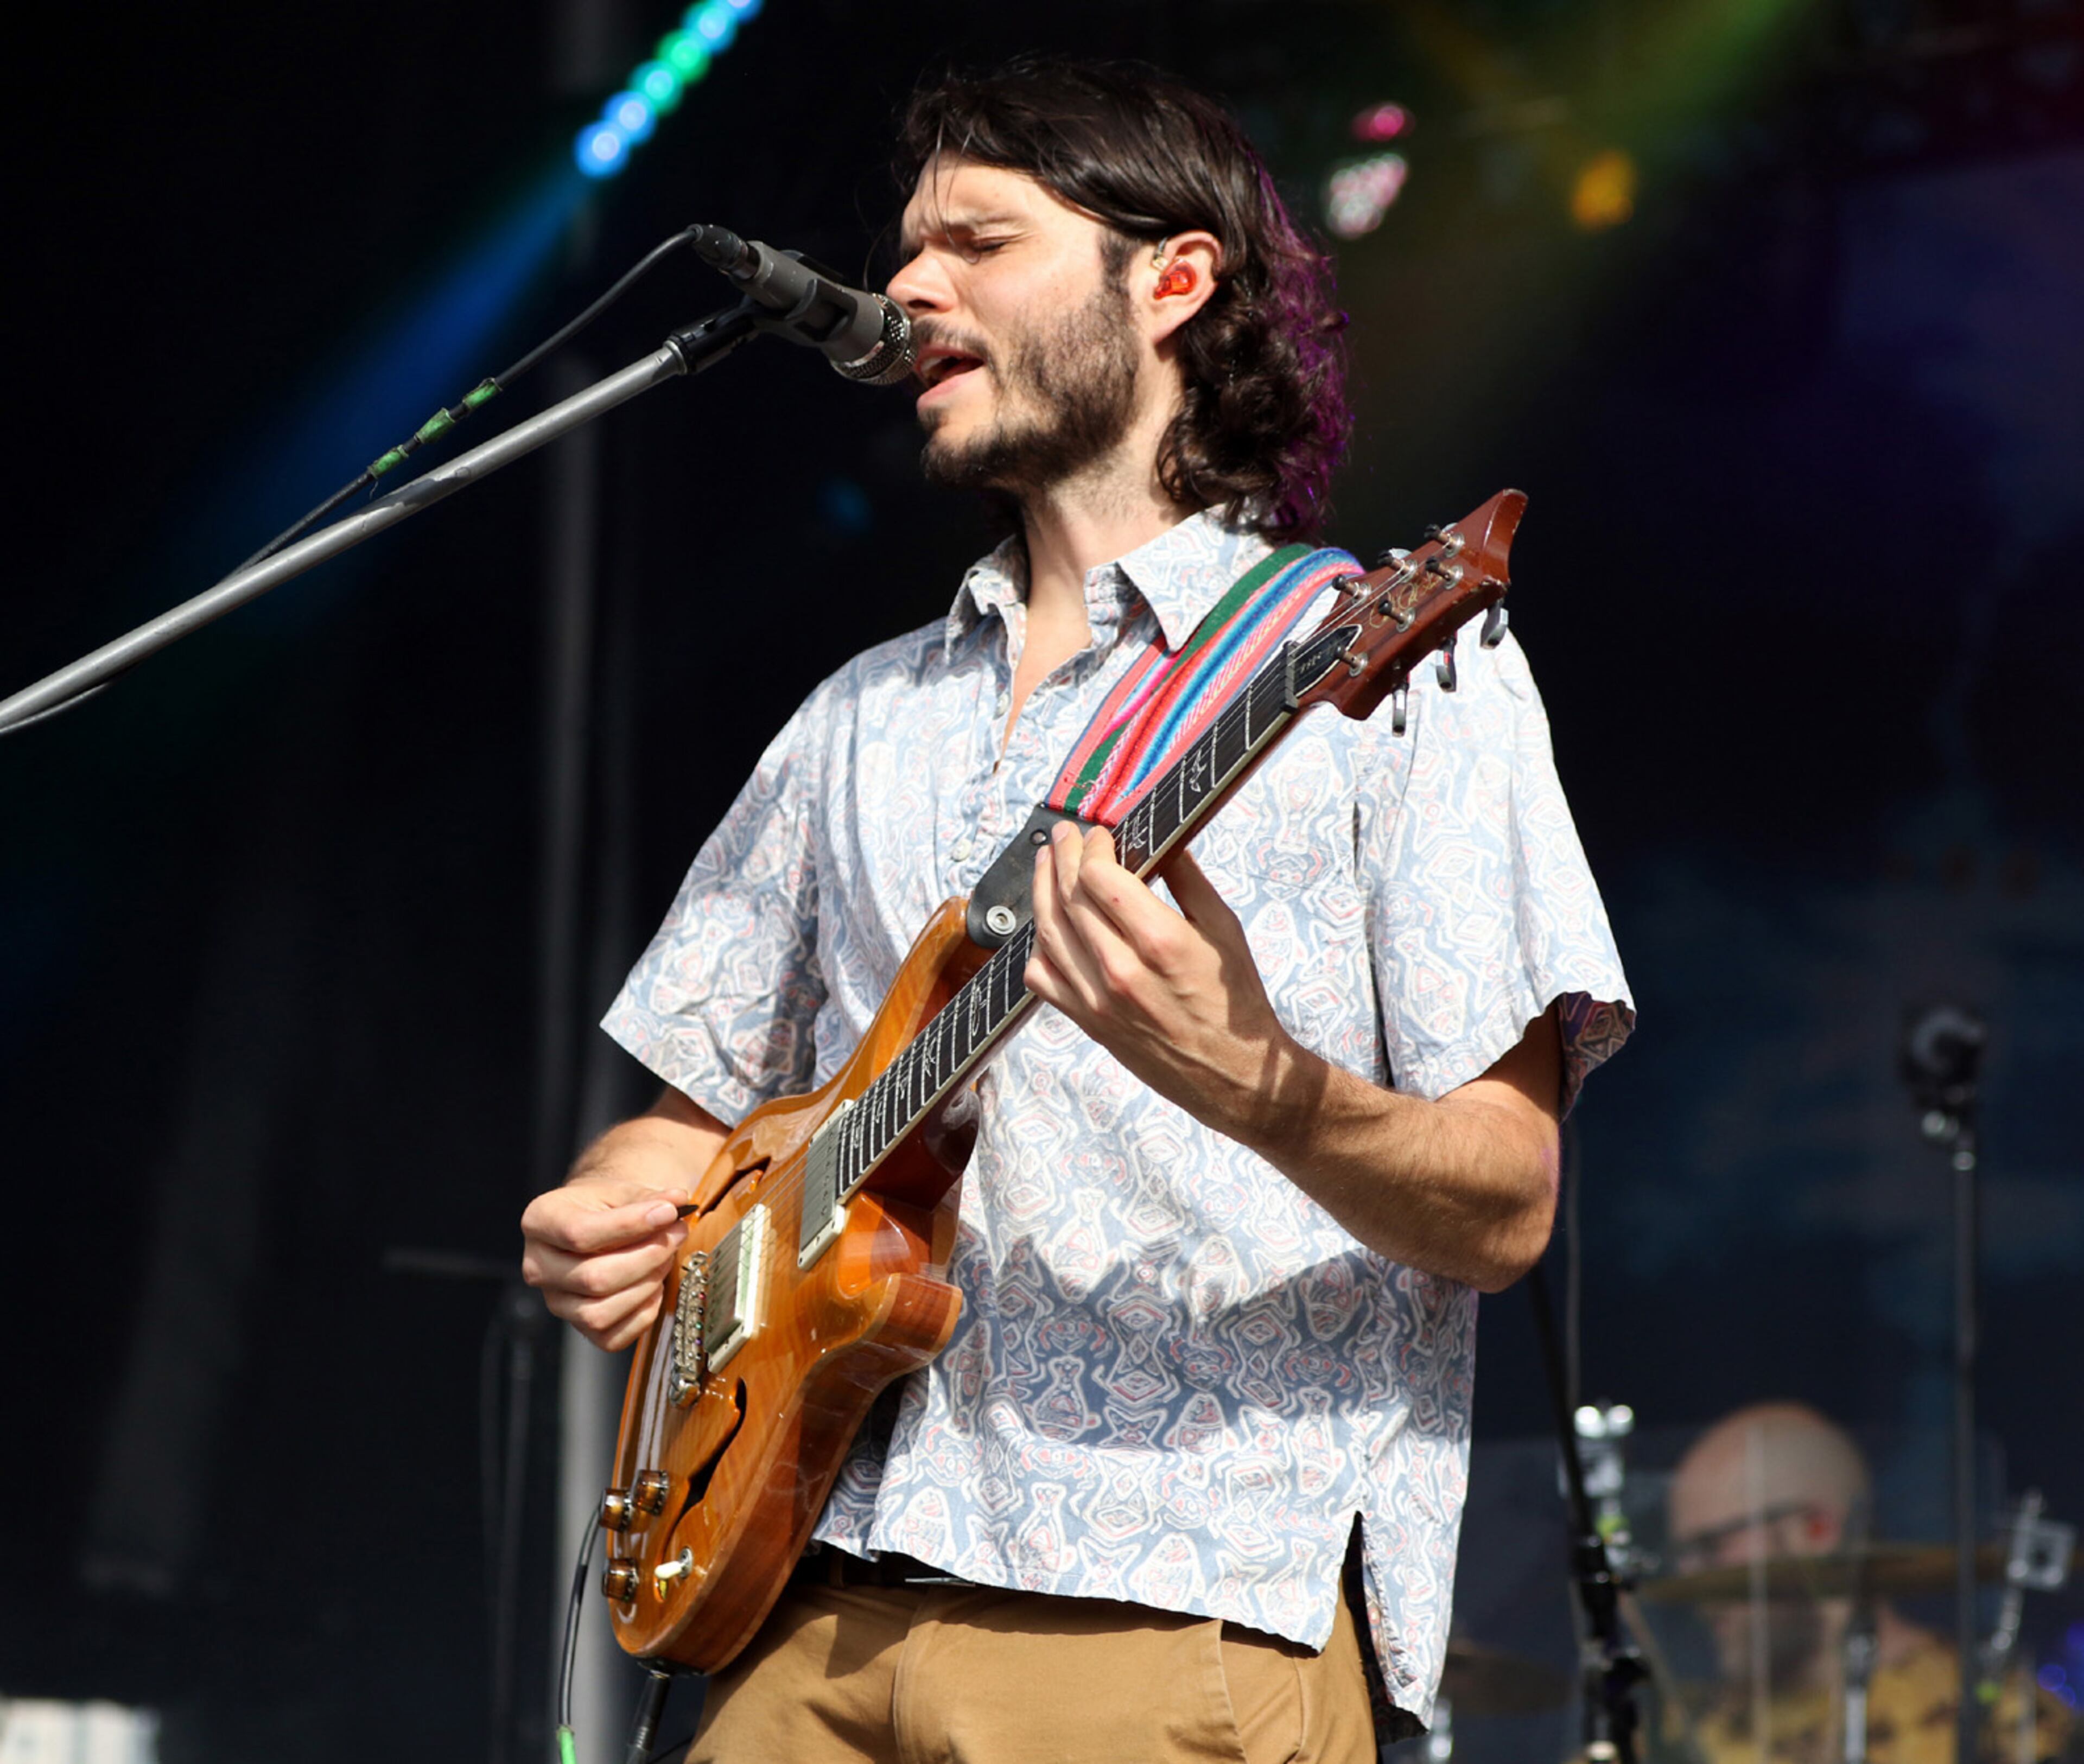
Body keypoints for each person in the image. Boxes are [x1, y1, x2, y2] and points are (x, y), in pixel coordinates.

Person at [520, 56, 1632, 1762]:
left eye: (978, 240)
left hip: (1164, 1600)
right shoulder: (858, 714)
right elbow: (690, 1124)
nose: (905, 287)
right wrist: (618, 1204)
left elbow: (1502, 1203)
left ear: (1171, 280)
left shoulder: (1396, 675)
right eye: (904, 249)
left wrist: (1255, 1083)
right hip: (797, 1598)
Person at [1664, 1402, 2073, 1763]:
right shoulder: (1683, 1731)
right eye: (1683, 1555)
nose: (1693, 1580)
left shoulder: (1999, 1721)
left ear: (1818, 1530)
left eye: (1711, 1546)